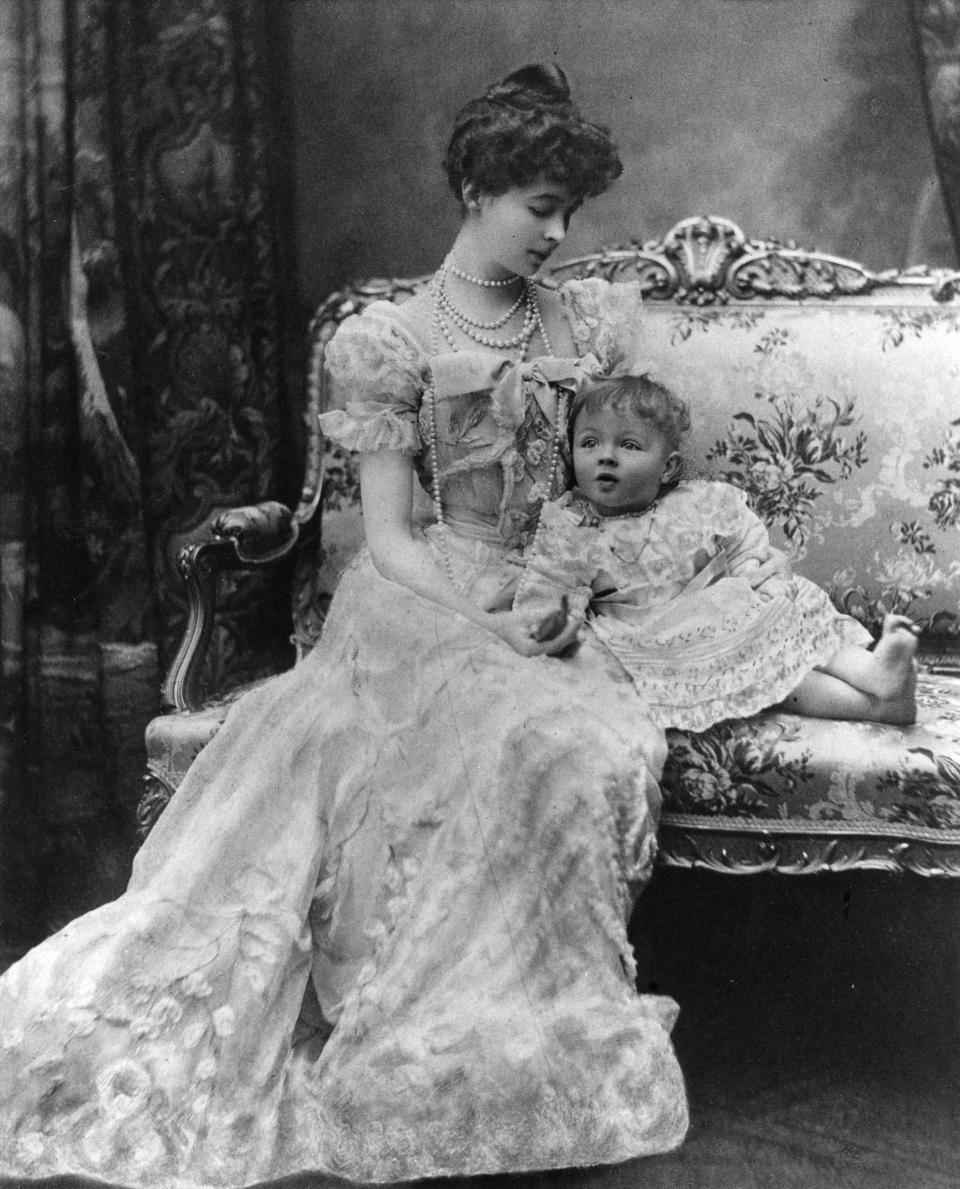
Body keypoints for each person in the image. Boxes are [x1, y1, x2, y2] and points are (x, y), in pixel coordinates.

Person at [0, 64, 701, 1187]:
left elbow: (591, 492)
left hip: (542, 589)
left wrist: (562, 589)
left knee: (593, 750)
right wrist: (489, 616)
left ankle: (503, 1044)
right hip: (422, 600)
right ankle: (419, 1036)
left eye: (572, 212)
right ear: (475, 187)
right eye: (540, 207)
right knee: (506, 739)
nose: (560, 234)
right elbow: (389, 540)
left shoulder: (585, 323)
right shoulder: (389, 337)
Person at [516, 367, 919, 733]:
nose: (606, 455)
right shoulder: (573, 528)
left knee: (784, 613)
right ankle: (880, 707)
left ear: (668, 467)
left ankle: (871, 671)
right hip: (653, 640)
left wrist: (758, 574)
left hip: (719, 614)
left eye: (629, 445)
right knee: (774, 681)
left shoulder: (695, 502)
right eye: (590, 443)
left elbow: (744, 542)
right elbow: (550, 593)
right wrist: (557, 630)